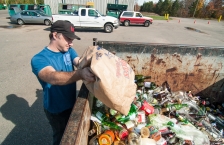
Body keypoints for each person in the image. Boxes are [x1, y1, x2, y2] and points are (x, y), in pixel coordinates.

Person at [31, 20, 95, 145]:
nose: (71, 43)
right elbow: (52, 77)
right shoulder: (39, 59)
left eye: (72, 39)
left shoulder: (68, 50)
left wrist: (92, 60)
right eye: (68, 38)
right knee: (61, 138)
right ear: (55, 35)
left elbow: (79, 62)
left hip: (71, 103)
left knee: (73, 134)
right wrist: (80, 74)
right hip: (57, 109)